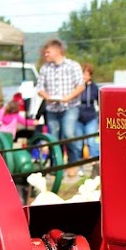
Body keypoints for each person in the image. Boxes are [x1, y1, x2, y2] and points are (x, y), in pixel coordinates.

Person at [36, 38, 85, 177]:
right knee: (53, 138)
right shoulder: (45, 68)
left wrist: (69, 97)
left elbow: (80, 85)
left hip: (70, 106)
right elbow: (39, 87)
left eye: (48, 52)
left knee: (68, 134)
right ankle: (56, 168)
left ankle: (73, 164)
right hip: (52, 108)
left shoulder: (72, 65)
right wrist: (47, 96)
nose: (46, 55)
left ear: (58, 51)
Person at [78, 62, 100, 161]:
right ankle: (78, 165)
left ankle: (95, 162)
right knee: (78, 143)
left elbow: (99, 103)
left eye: (86, 74)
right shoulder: (77, 86)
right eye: (83, 74)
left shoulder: (94, 88)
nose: (84, 76)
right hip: (78, 117)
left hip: (90, 117)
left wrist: (99, 120)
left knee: (91, 141)